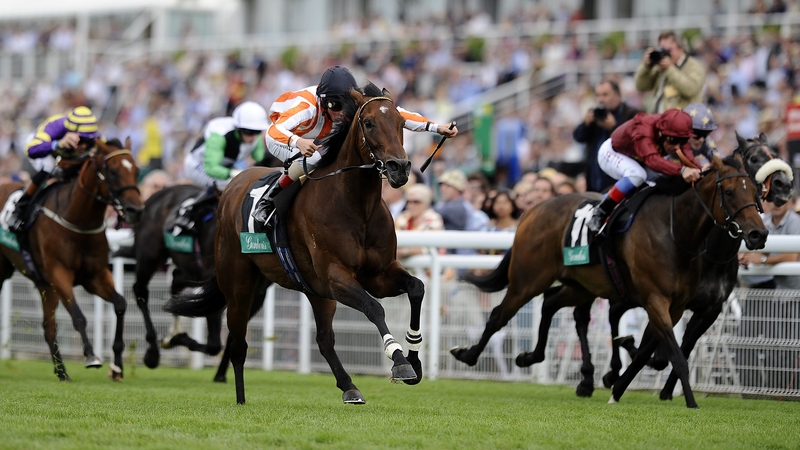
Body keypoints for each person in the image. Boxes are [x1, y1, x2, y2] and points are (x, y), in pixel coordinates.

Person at [251, 65, 458, 225]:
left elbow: (394, 113)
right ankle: (268, 199)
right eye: (336, 105)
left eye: (345, 105)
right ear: (323, 101)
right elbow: (272, 132)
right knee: (315, 157)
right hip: (283, 136)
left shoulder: (351, 102)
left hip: (315, 136)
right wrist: (298, 142)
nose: (342, 112)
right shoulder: (306, 107)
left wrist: (436, 127)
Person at [587, 108, 702, 233]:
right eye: (673, 140)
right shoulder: (644, 128)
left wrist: (700, 170)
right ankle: (600, 211)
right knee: (637, 175)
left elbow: (689, 158)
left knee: (660, 182)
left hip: (637, 160)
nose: (677, 147)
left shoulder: (676, 132)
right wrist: (682, 170)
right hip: (612, 152)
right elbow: (652, 160)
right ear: (660, 133)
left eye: (683, 141)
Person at [173, 101, 269, 233]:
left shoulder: (254, 137)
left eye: (257, 132)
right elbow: (211, 168)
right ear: (238, 128)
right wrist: (233, 173)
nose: (253, 137)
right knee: (226, 183)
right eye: (249, 132)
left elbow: (260, 159)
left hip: (225, 166)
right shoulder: (220, 134)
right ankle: (188, 209)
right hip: (198, 165)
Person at [8, 106, 99, 232]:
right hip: (44, 150)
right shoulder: (55, 126)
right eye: (81, 140)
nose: (84, 146)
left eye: (88, 141)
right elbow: (31, 150)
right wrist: (57, 144)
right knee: (49, 167)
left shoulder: (93, 136)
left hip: (66, 156)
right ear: (69, 132)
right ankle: (19, 209)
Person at [573, 80, 640, 193]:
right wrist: (586, 124)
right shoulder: (595, 114)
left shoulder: (631, 114)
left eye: (605, 95)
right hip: (594, 182)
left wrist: (614, 128)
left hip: (619, 183)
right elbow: (578, 137)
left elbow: (635, 143)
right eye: (598, 95)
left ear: (618, 95)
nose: (601, 99)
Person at [634, 30, 706, 114]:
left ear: (681, 48)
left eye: (669, 50)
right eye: (662, 49)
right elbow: (640, 85)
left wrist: (670, 69)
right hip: (657, 118)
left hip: (682, 119)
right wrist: (646, 67)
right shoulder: (660, 67)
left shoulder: (694, 66)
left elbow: (690, 89)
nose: (666, 54)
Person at [394, 184, 444, 259]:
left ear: (426, 203)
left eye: (416, 202)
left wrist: (404, 252)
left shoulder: (433, 219)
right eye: (408, 201)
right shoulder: (402, 218)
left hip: (427, 264)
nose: (411, 205)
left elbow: (427, 249)